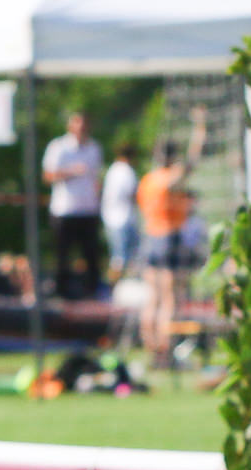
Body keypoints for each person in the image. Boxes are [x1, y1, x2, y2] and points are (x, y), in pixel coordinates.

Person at [134, 140, 198, 360]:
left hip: (150, 237)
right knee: (170, 298)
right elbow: (190, 166)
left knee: (153, 297)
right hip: (168, 237)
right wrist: (199, 136)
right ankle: (165, 348)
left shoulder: (147, 180)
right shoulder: (167, 179)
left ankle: (150, 345)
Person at [41, 109, 106, 301]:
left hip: (88, 209)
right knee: (62, 254)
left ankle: (92, 291)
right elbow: (48, 175)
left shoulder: (94, 148)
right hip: (65, 210)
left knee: (91, 254)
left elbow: (96, 177)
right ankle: (62, 292)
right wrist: (71, 172)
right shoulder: (59, 147)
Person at [101, 141, 140, 277]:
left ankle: (116, 283)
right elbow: (133, 195)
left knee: (118, 256)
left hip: (110, 217)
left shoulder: (113, 170)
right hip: (124, 218)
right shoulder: (126, 171)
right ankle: (115, 283)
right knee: (123, 258)